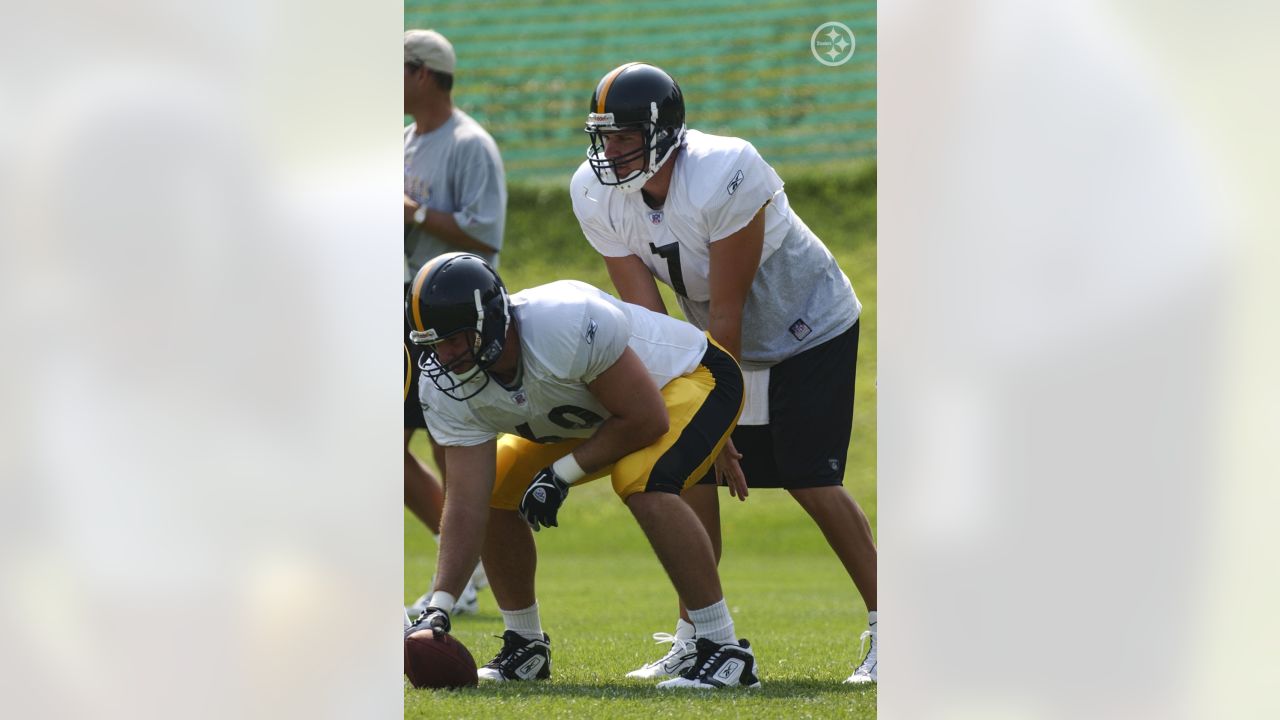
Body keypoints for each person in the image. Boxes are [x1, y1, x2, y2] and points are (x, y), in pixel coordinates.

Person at [570, 62, 879, 684]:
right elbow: (648, 321)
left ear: (664, 132)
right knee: (685, 474)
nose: (611, 150)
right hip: (708, 342)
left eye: (624, 135)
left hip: (805, 327)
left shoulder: (724, 171)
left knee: (808, 477)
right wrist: (700, 427)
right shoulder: (594, 191)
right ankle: (700, 634)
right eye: (603, 137)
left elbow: (730, 310)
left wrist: (720, 419)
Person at [402, 252, 760, 689]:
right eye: (433, 344)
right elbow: (465, 501)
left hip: (691, 378)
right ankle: (525, 645)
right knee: (496, 486)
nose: (445, 355)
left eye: (455, 339)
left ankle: (726, 649)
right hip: (599, 413)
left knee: (640, 479)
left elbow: (646, 419)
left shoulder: (562, 323)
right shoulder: (444, 385)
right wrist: (440, 603)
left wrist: (561, 474)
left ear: (491, 319)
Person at [402, 28, 507, 616]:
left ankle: (462, 573)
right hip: (398, 309)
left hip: (449, 318)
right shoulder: (404, 141)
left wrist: (412, 212)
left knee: (451, 445)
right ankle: (464, 565)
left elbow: (483, 236)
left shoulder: (469, 144)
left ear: (422, 73)